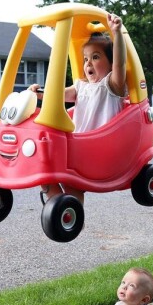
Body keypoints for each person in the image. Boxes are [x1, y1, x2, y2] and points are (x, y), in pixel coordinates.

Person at [28, 12, 127, 204]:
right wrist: (39, 93)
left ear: (109, 64)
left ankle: (71, 215)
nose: (88, 63)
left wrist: (117, 33)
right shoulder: (80, 86)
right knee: (44, 175)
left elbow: (120, 64)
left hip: (100, 147)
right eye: (86, 59)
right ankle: (59, 208)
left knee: (73, 185)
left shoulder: (111, 85)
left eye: (95, 57)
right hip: (77, 145)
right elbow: (57, 93)